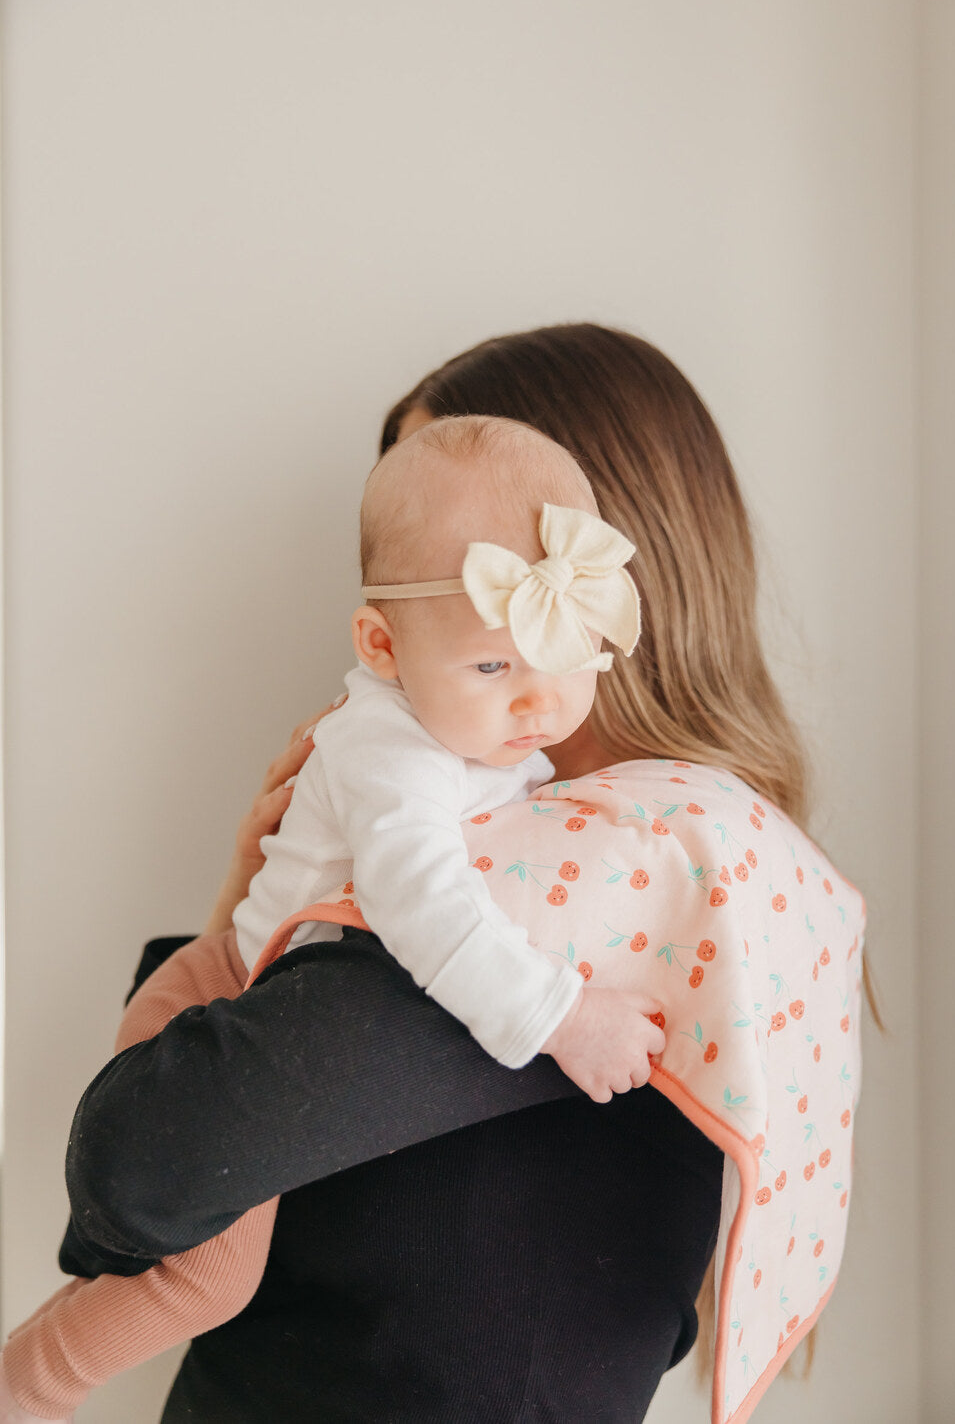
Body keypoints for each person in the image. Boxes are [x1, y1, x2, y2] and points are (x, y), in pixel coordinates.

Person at [5, 323, 832, 1424]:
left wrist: (250, 936)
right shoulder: (526, 816)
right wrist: (253, 910)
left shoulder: (632, 853)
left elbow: (144, 1162)